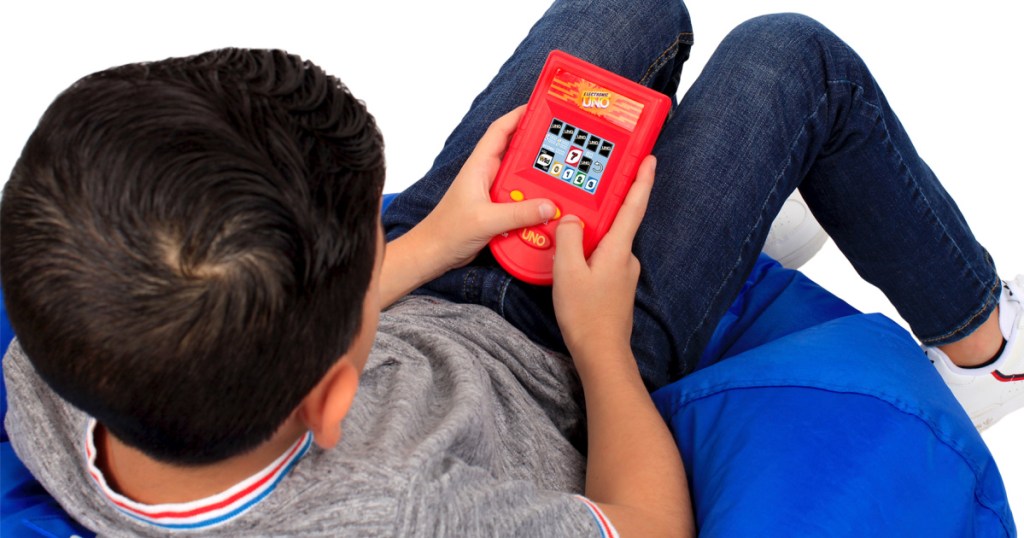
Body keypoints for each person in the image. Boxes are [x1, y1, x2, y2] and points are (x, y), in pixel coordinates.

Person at [0, 1, 1019, 536]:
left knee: (630, 10)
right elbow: (644, 528)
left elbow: (320, 313)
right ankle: (986, 346)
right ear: (330, 395)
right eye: (371, 233)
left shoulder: (45, 373)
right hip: (565, 359)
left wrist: (437, 234)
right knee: (792, 61)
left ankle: (700, 200)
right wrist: (599, 340)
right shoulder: (403, 520)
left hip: (445, 283)